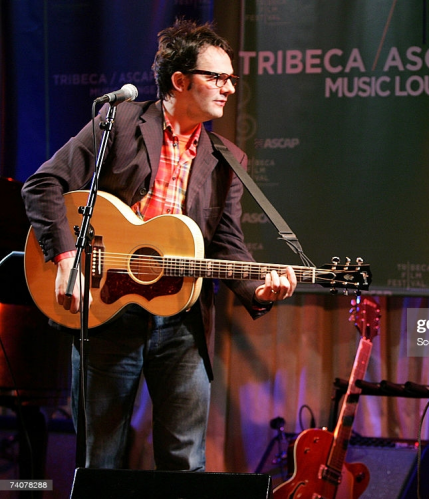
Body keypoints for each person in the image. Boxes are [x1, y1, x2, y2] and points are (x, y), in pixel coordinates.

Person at [21, 19, 296, 471]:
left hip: (182, 324)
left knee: (186, 463)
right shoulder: (120, 121)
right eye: (217, 77)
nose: (228, 88)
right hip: (106, 311)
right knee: (100, 462)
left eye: (232, 78)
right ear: (180, 81)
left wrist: (257, 288)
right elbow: (43, 184)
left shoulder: (228, 158)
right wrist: (68, 257)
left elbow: (226, 245)